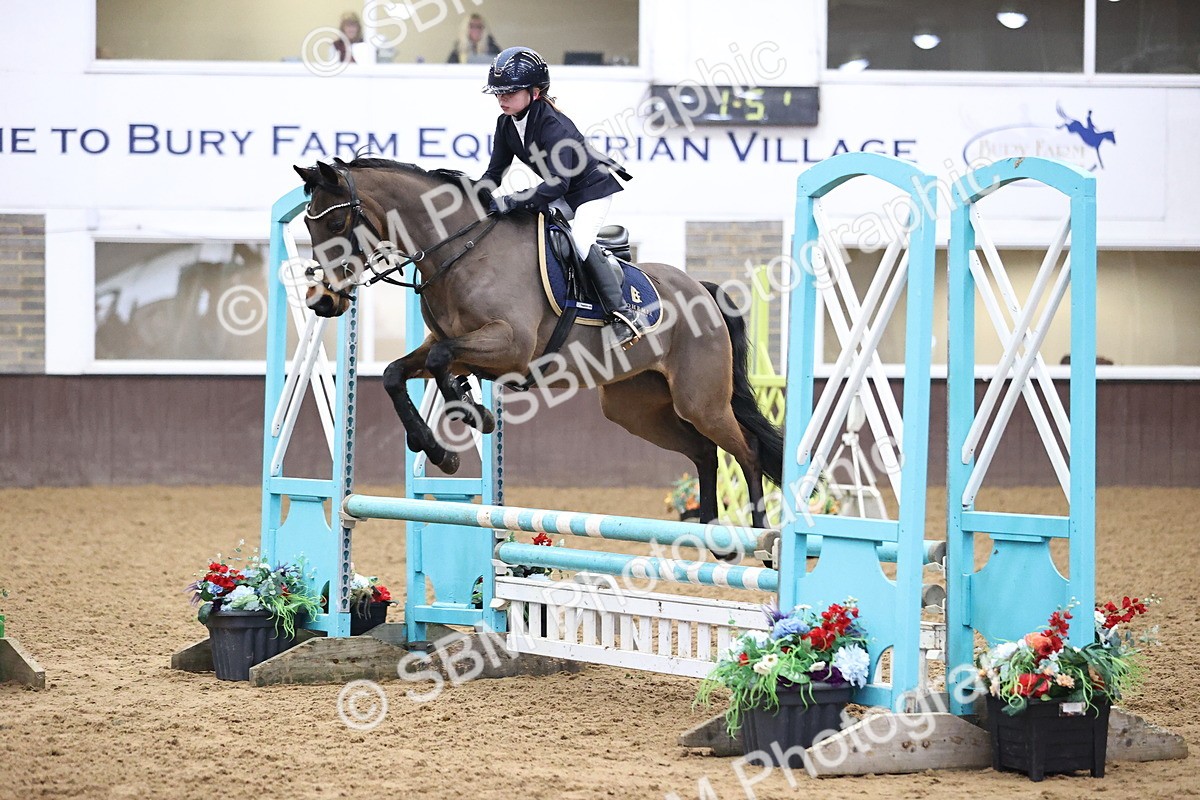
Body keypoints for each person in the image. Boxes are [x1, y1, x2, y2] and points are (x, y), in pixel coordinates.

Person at [478, 46, 645, 349]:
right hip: (563, 191)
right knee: (522, 228)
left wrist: (512, 200)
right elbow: (495, 172)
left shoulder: (553, 125)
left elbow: (557, 185)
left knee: (580, 241)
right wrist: (474, 196)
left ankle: (622, 314)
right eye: (498, 93)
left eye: (509, 92)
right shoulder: (506, 124)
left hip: (591, 191)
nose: (502, 99)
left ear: (535, 92)